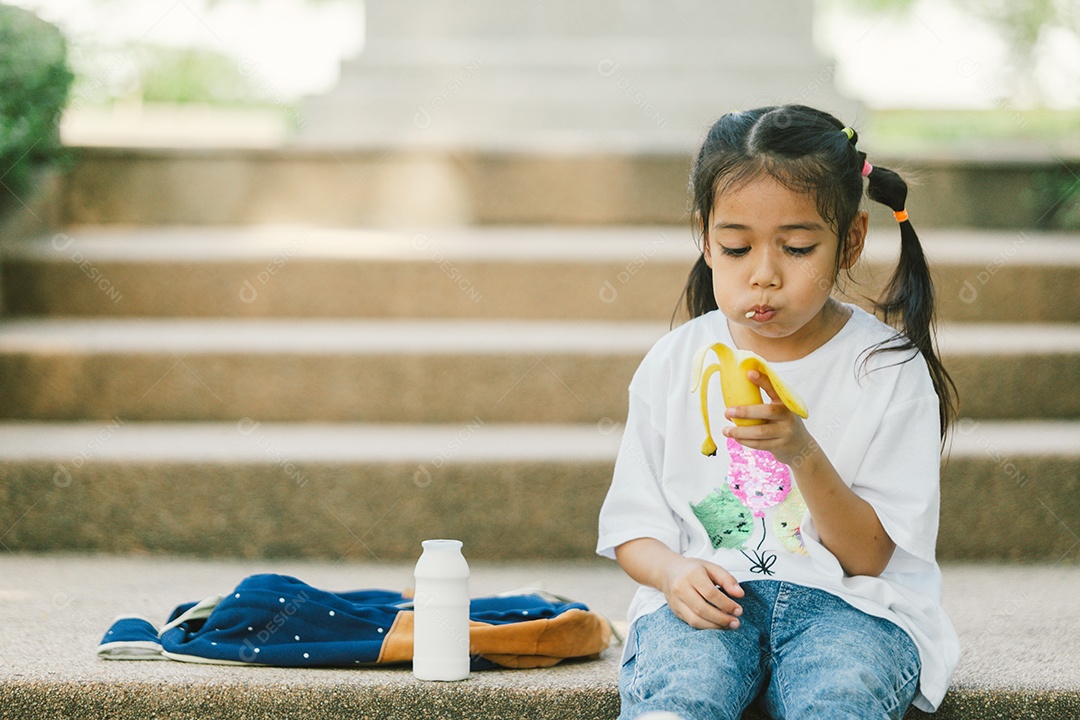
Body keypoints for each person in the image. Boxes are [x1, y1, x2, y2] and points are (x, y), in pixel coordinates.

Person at [597, 105, 960, 720]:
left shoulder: (886, 370)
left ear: (851, 241)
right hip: (710, 603)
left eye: (796, 248)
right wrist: (673, 573)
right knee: (683, 687)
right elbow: (634, 528)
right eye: (736, 247)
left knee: (841, 693)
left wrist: (802, 452)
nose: (763, 276)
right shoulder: (675, 362)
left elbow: (868, 557)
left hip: (854, 609)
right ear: (706, 239)